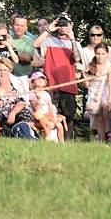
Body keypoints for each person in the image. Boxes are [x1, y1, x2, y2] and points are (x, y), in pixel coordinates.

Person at [32, 12, 81, 140]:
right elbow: (35, 44)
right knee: (49, 113)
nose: (63, 26)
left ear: (71, 25)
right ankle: (50, 140)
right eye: (61, 23)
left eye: (66, 23)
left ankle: (67, 141)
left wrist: (72, 38)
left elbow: (77, 58)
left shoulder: (75, 43)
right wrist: (50, 28)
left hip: (68, 85)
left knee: (69, 116)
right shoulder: (49, 40)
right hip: (51, 85)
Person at [0, 58, 36, 139]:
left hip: (13, 112)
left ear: (10, 70)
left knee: (26, 112)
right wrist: (0, 86)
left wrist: (13, 113)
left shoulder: (17, 82)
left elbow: (22, 102)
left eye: (5, 70)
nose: (2, 73)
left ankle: (28, 136)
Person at [84, 43, 111, 142]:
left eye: (103, 54)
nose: (100, 56)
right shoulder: (90, 66)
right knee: (98, 117)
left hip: (106, 89)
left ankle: (110, 131)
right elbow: (87, 84)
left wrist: (110, 100)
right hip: (94, 91)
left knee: (105, 105)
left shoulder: (109, 67)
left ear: (107, 54)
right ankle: (102, 141)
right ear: (95, 53)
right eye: (98, 53)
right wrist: (86, 78)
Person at [28, 71, 66, 142]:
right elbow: (36, 108)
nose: (40, 80)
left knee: (59, 125)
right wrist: (39, 99)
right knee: (50, 125)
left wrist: (53, 111)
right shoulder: (32, 94)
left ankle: (62, 143)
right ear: (32, 82)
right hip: (38, 118)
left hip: (48, 115)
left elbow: (50, 105)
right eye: (37, 79)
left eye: (42, 78)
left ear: (45, 82)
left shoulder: (46, 94)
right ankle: (46, 140)